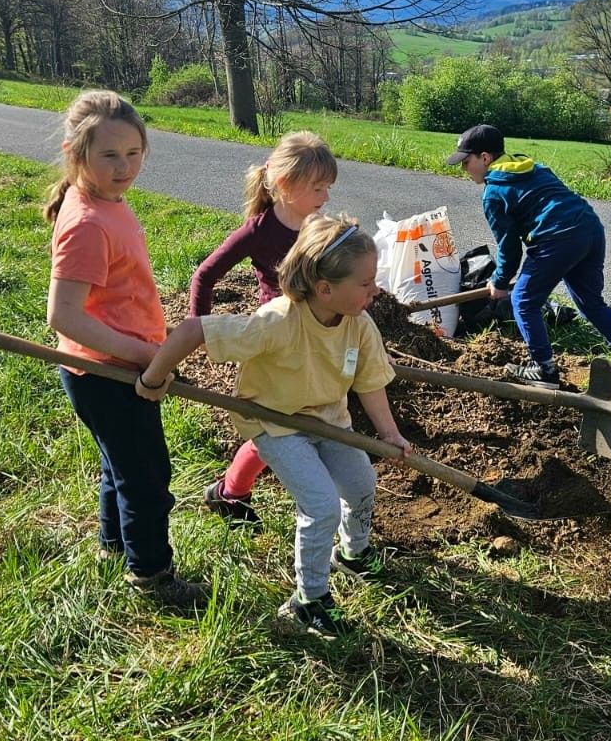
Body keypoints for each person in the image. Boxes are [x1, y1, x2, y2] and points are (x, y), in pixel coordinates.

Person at [139, 214, 411, 637]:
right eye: (365, 282)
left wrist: (390, 434)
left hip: (329, 421)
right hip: (276, 425)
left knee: (361, 484)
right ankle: (309, 599)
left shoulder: (359, 324)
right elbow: (193, 330)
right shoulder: (278, 322)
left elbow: (370, 382)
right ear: (325, 289)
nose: (375, 290)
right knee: (320, 505)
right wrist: (154, 377)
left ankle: (353, 554)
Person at [44, 89, 208, 608]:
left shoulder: (104, 201)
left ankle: (113, 547)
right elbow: (63, 316)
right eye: (110, 155)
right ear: (76, 154)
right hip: (107, 373)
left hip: (115, 365)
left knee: (120, 464)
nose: (125, 167)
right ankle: (151, 575)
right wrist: (144, 357)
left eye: (134, 153)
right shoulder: (88, 223)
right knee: (146, 477)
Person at [191, 131, 337, 528]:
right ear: (286, 185)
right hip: (279, 339)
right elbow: (205, 275)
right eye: (318, 188)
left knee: (313, 418)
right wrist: (198, 330)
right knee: (277, 424)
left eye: (328, 187)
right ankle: (231, 491)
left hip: (319, 335)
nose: (326, 196)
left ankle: (238, 490)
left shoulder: (321, 226)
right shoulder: (258, 231)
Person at [448, 124, 611, 388]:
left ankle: (544, 370)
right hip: (589, 228)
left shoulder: (494, 193)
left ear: (485, 157)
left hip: (556, 239)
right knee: (592, 304)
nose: (463, 169)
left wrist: (500, 282)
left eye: (466, 162)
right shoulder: (532, 166)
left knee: (523, 301)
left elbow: (509, 248)